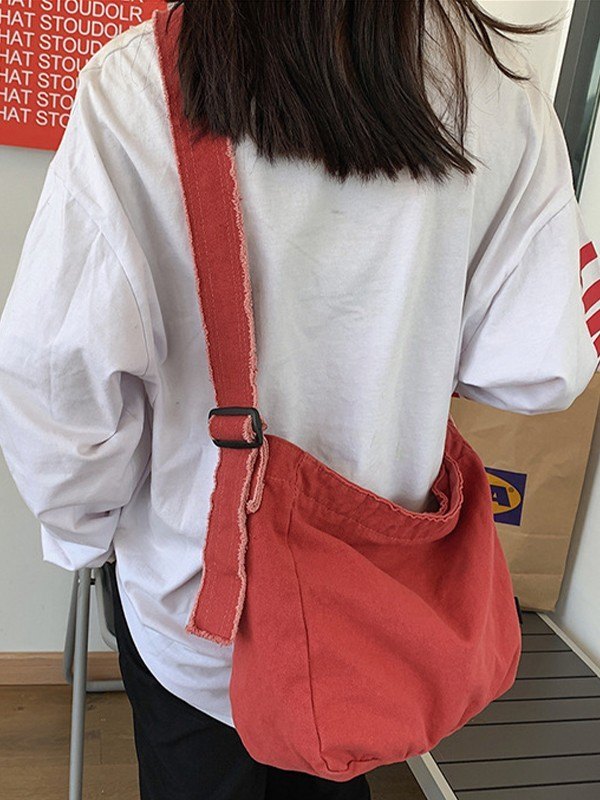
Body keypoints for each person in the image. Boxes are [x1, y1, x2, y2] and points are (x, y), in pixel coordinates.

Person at [0, 1, 599, 798]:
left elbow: (55, 379)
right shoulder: (499, 85)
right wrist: (402, 346)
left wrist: (84, 533)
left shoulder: (141, 81)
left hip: (193, 610)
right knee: (336, 771)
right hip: (373, 607)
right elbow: (542, 369)